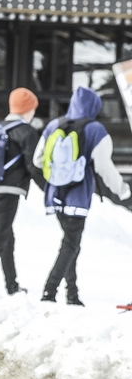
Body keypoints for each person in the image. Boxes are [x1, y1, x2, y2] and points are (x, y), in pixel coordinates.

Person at [32, 85, 130, 305]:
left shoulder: (54, 125)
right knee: (71, 243)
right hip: (78, 196)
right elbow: (104, 167)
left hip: (56, 194)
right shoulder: (95, 130)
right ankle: (49, 292)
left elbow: (37, 160)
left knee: (70, 243)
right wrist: (123, 190)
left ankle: (72, 294)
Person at [0, 87, 46, 296]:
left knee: (6, 236)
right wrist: (48, 189)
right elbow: (34, 165)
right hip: (8, 190)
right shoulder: (26, 132)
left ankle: (12, 286)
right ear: (28, 109)